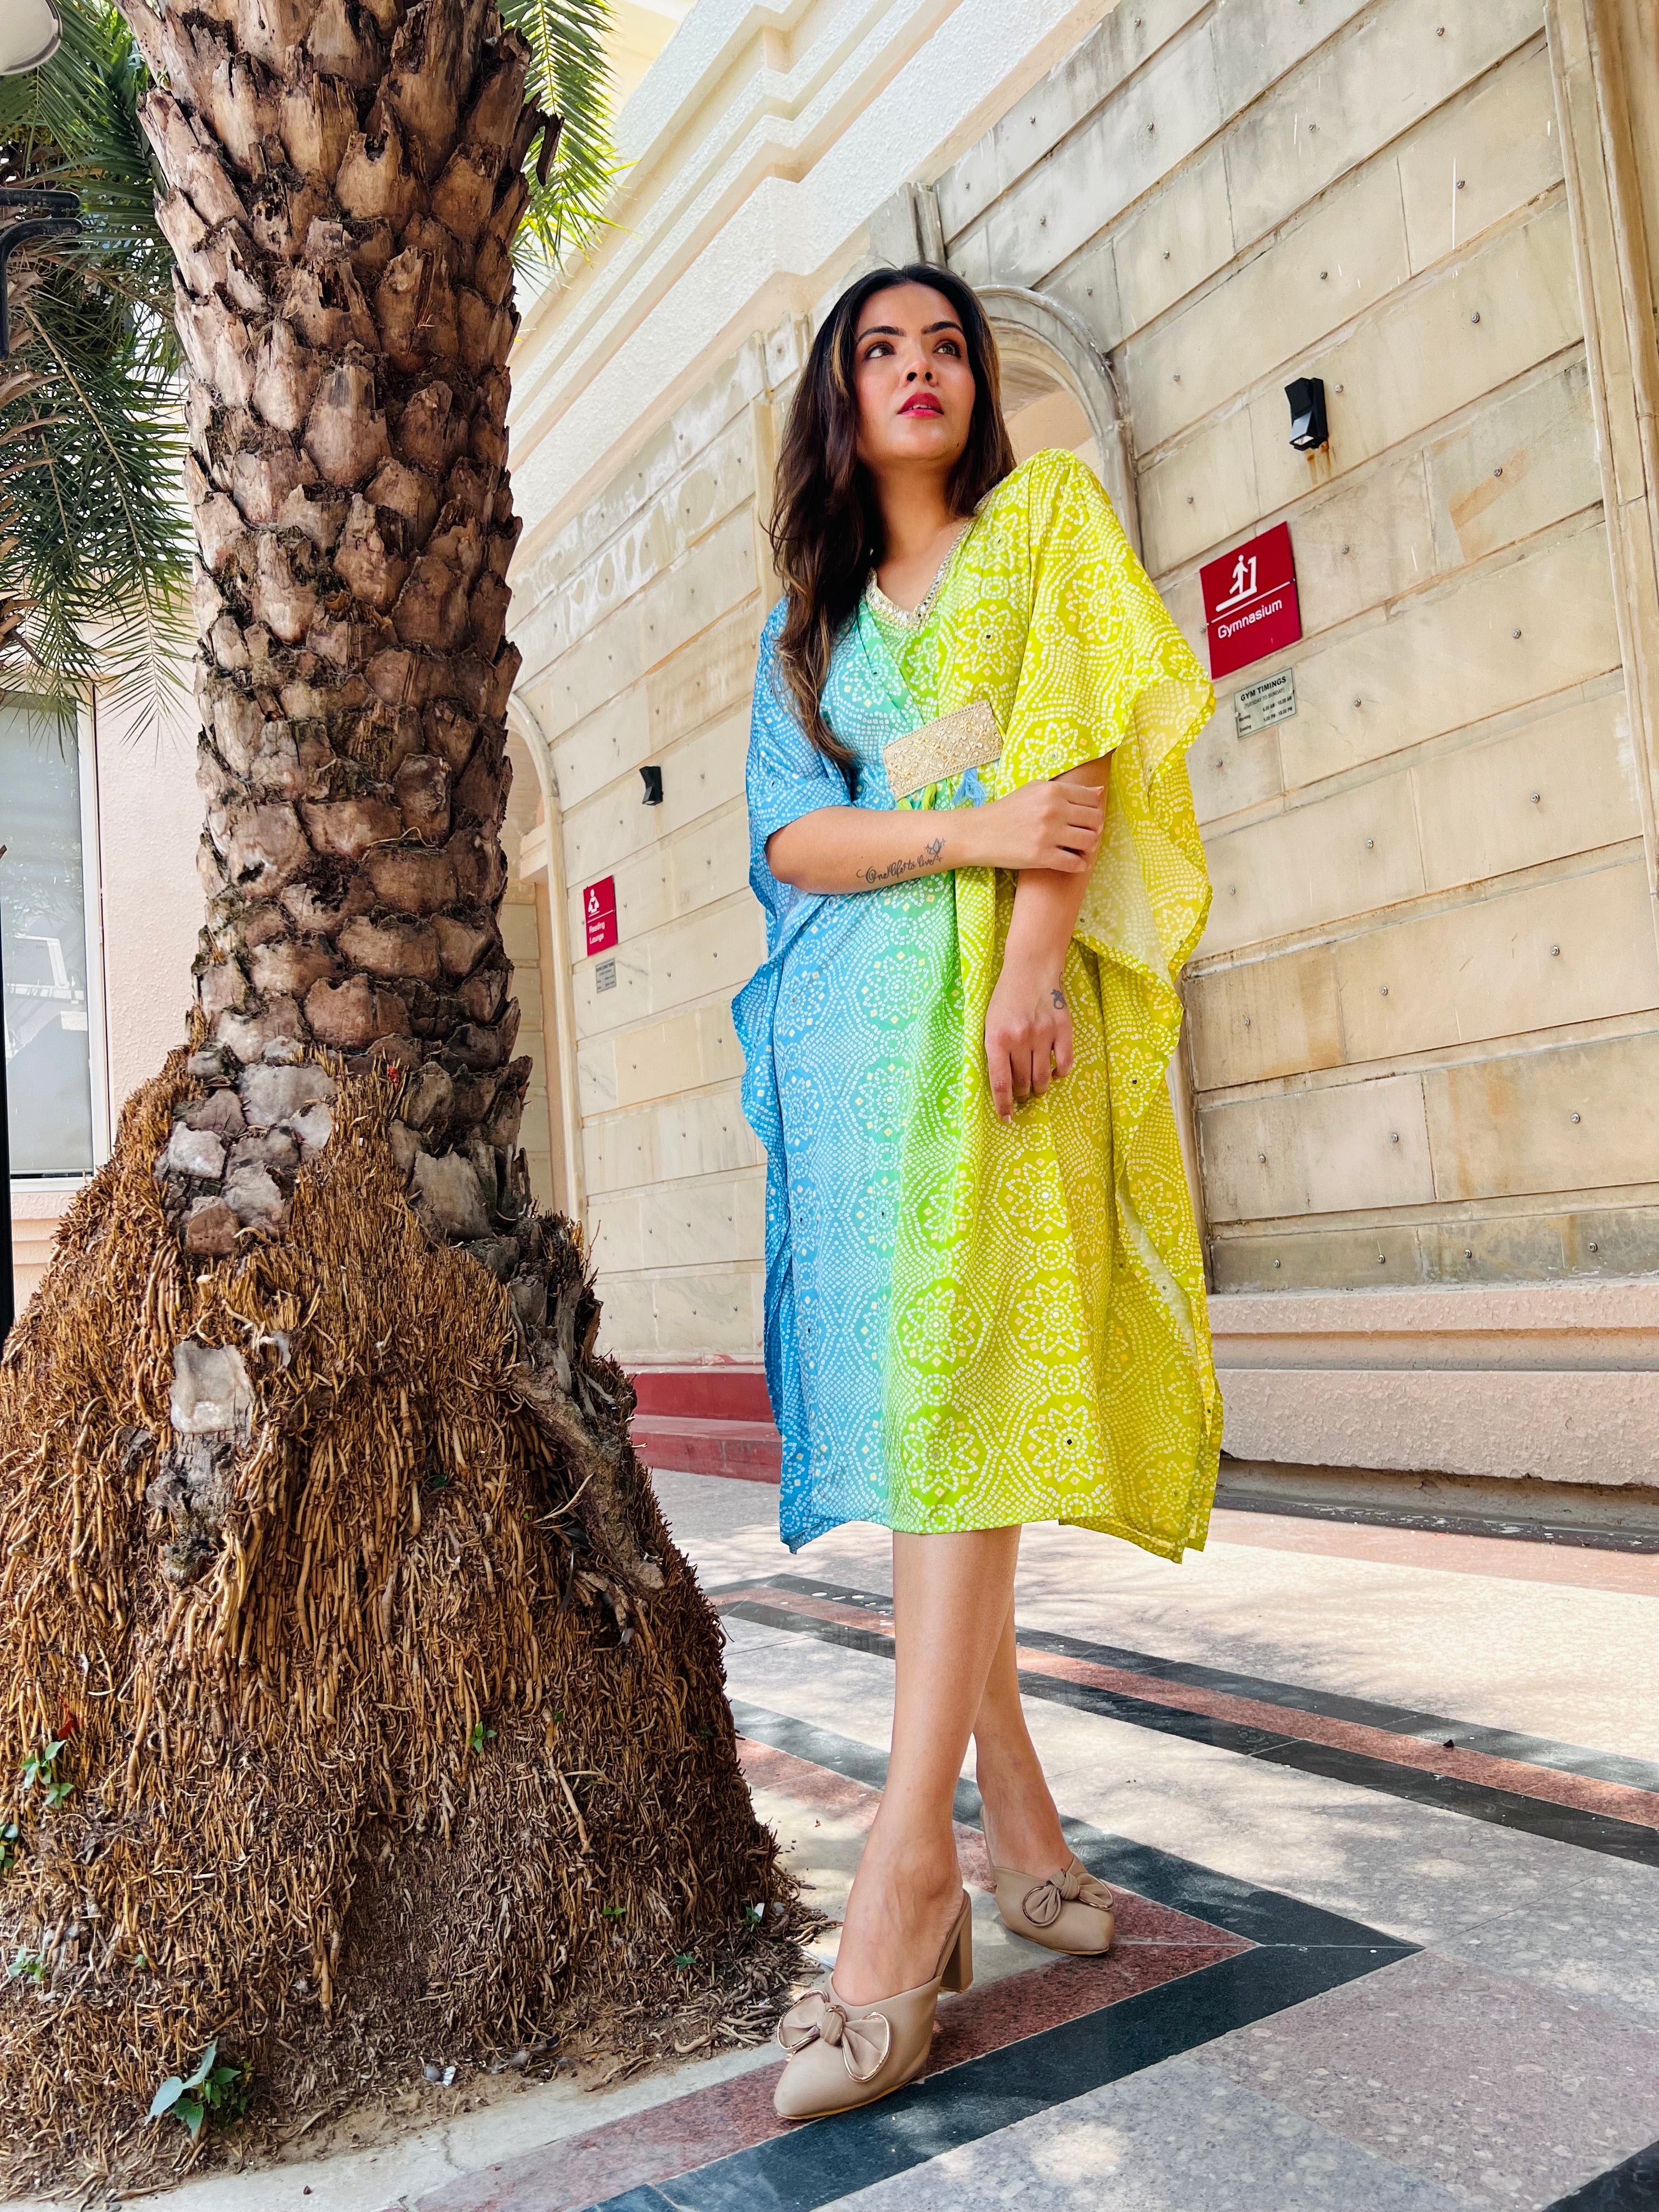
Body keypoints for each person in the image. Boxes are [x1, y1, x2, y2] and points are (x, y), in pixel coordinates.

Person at [732, 264, 1221, 2122]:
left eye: (947, 346)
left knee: (960, 1405)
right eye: (883, 351)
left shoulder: (1047, 527)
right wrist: (963, 827)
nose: (920, 370)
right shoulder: (807, 626)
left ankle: (906, 1878)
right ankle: (1015, 1815)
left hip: (998, 1045)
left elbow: (1078, 754)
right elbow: (793, 835)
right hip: (859, 1064)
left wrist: (1026, 964)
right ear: (841, 401)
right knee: (930, 1419)